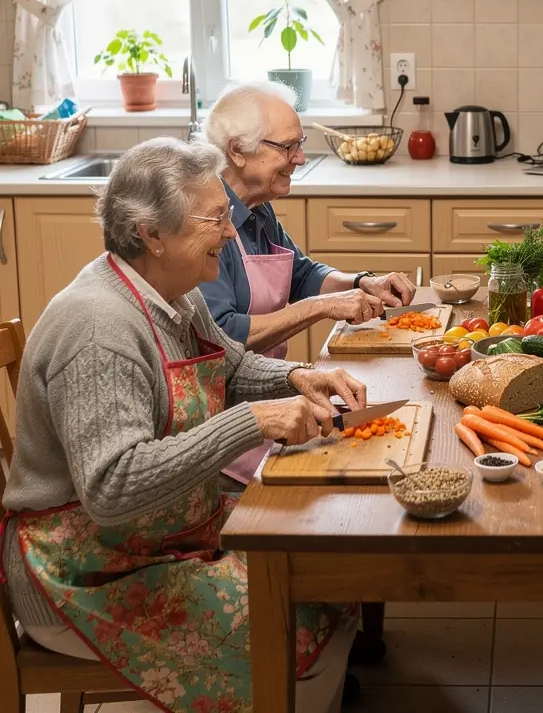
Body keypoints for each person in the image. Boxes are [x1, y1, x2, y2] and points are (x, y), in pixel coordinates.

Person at [0, 138, 367, 712]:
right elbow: (113, 487)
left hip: (165, 534)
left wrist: (298, 377)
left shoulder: (170, 290)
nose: (229, 233)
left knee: (327, 570)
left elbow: (231, 363)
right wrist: (251, 421)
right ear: (152, 234)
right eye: (215, 218)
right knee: (294, 617)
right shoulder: (99, 329)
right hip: (86, 570)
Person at [200, 81, 416, 358]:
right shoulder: (205, 221)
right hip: (225, 395)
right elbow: (222, 335)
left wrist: (361, 282)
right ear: (237, 150)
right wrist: (323, 306)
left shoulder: (258, 206)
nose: (300, 158)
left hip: (266, 378)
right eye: (287, 146)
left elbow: (301, 276)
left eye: (299, 144)